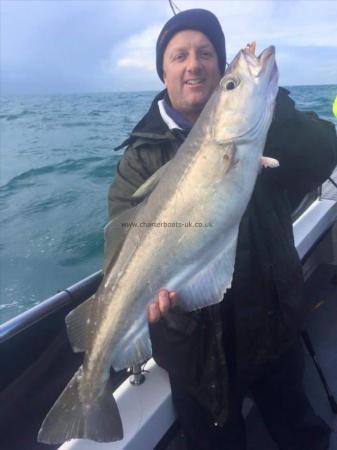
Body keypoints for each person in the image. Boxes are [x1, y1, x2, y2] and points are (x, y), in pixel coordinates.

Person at [107, 9, 337, 450]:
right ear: (164, 72)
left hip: (274, 326)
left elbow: (324, 154)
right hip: (193, 351)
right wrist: (152, 301)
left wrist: (267, 104)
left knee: (301, 434)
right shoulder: (139, 159)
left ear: (217, 67)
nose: (193, 64)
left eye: (207, 54)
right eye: (179, 56)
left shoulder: (264, 125)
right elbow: (121, 247)